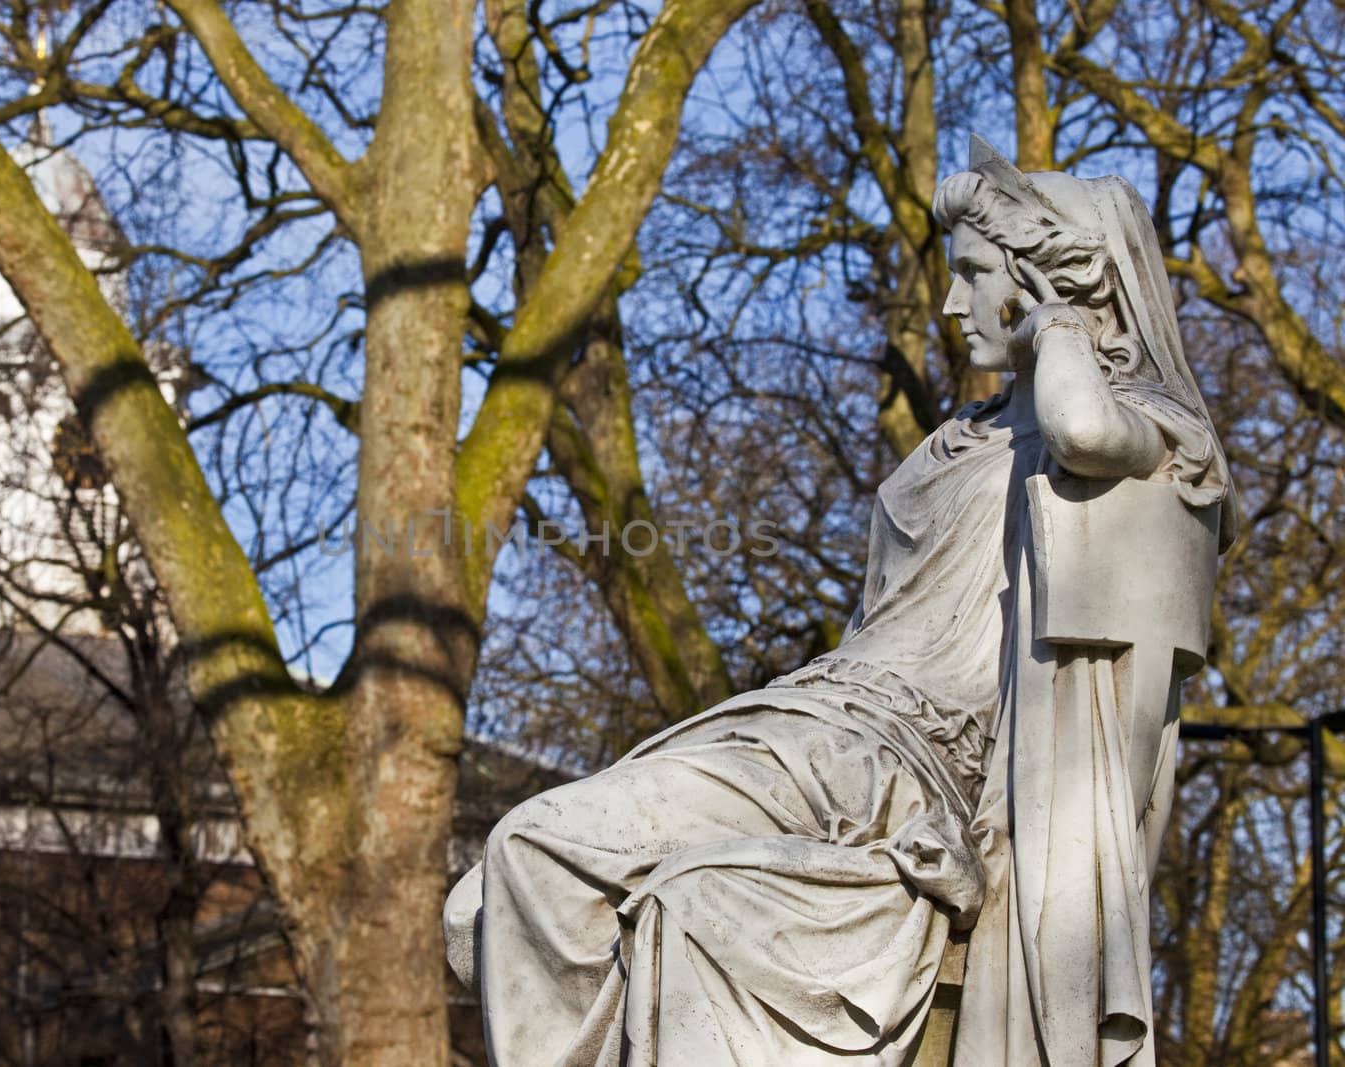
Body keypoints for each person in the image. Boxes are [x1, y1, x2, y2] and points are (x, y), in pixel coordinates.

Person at [446, 138, 1236, 1067]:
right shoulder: (959, 440)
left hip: (893, 758)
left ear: (1040, 282)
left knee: (545, 849)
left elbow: (1085, 427)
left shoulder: (1153, 433)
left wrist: (1054, 329)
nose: (951, 302)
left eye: (976, 274)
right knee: (512, 873)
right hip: (809, 720)